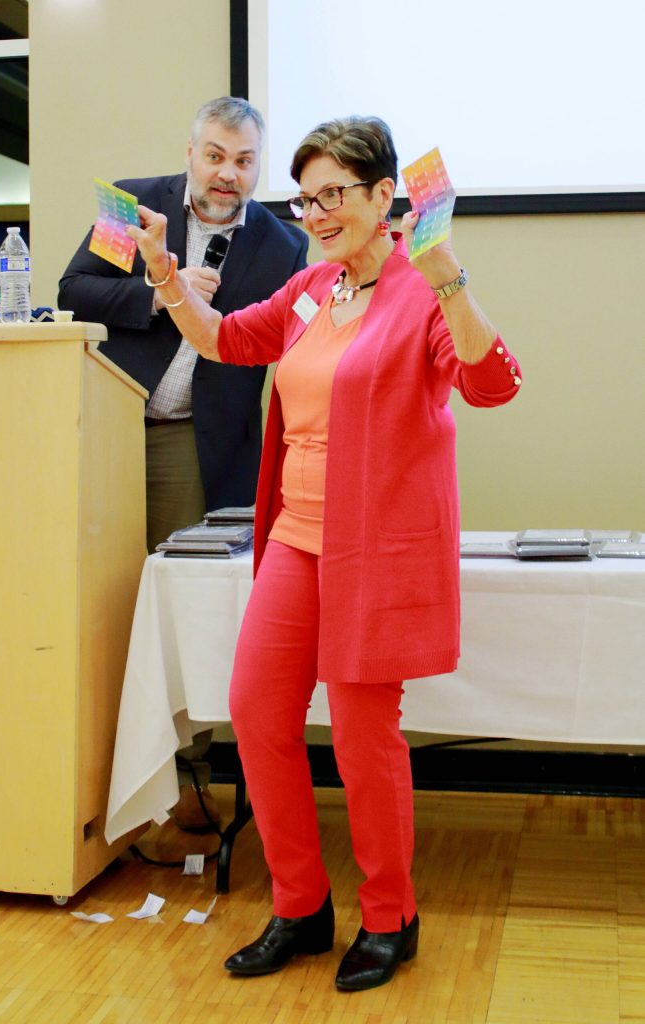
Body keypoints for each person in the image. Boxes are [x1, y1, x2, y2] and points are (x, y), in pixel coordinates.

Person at [127, 115, 522, 992]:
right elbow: (225, 339)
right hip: (295, 542)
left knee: (359, 735)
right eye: (305, 197)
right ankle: (300, 908)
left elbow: (491, 384)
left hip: (373, 550)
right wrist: (161, 268)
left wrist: (446, 273)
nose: (315, 212)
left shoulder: (421, 292)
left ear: (387, 197)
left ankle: (391, 916)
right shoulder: (312, 289)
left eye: (333, 194)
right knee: (258, 714)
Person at [58, 97, 308, 833]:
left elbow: (276, 353)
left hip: (196, 443)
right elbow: (72, 291)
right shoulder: (131, 205)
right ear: (190, 151)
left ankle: (186, 784)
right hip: (102, 429)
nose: (228, 174)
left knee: (183, 611)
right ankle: (91, 776)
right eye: (215, 156)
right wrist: (158, 293)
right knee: (97, 604)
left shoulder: (282, 243)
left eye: (244, 161)